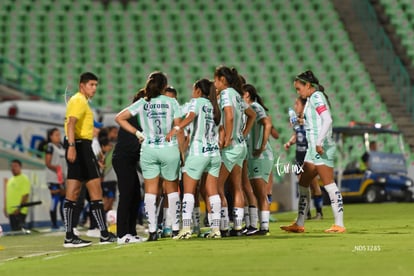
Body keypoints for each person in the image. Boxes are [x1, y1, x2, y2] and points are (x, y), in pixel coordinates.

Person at [115, 71, 183, 241]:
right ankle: (175, 229)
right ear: (164, 86)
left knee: (151, 191)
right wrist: (174, 131)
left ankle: (152, 231)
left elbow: (119, 118)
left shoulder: (142, 103)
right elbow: (179, 124)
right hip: (168, 148)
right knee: (171, 189)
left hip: (149, 149)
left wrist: (138, 133)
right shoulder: (171, 102)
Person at [280, 70, 345, 233]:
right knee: (303, 184)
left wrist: (319, 141)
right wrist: (299, 121)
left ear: (308, 85)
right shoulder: (310, 99)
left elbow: (328, 119)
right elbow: (314, 121)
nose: (297, 92)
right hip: (312, 149)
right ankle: (299, 223)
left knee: (329, 184)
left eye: (298, 88)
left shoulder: (316, 97)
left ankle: (340, 224)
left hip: (321, 147)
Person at [63, 72, 116, 248]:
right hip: (79, 146)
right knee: (92, 190)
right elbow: (71, 123)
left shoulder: (81, 101)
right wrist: (71, 146)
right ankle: (100, 233)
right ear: (82, 85)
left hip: (81, 146)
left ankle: (75, 235)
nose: (94, 88)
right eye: (91, 84)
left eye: (96, 85)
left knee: (76, 191)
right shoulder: (78, 100)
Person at [166, 78, 223, 239]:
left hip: (198, 153)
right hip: (214, 153)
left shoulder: (197, 102)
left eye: (193, 89)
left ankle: (185, 229)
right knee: (212, 192)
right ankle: (216, 230)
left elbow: (190, 117)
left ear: (198, 90)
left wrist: (176, 128)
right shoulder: (214, 106)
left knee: (189, 192)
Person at [214, 66, 256, 236]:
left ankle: (223, 226)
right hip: (241, 146)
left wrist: (228, 137)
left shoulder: (225, 94)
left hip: (231, 147)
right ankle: (238, 226)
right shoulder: (238, 95)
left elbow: (229, 116)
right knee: (237, 186)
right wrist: (242, 134)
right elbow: (251, 115)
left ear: (222, 79)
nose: (215, 83)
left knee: (217, 186)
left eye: (216, 79)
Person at [112, 89, 145, 244]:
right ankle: (122, 234)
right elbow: (133, 143)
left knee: (135, 195)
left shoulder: (137, 116)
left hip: (129, 160)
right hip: (123, 159)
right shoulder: (133, 116)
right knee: (126, 195)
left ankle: (131, 232)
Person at [284, 97, 323, 220]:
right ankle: (306, 213)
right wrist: (290, 143)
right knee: (302, 185)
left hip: (309, 156)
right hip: (299, 156)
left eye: (297, 104)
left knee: (313, 184)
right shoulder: (297, 121)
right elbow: (297, 134)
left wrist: (297, 121)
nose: (295, 106)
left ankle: (319, 212)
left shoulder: (309, 118)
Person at [242, 83, 273, 235]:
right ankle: (256, 226)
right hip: (254, 156)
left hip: (260, 156)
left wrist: (262, 145)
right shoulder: (249, 109)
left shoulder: (254, 107)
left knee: (260, 193)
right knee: (256, 192)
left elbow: (267, 123)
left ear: (247, 94)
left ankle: (264, 227)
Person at [45, 128, 67, 230]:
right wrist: (57, 169)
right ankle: (54, 224)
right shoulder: (50, 147)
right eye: (56, 135)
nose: (58, 136)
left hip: (62, 178)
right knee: (55, 200)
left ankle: (65, 223)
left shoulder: (61, 147)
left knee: (64, 201)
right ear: (51, 136)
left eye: (59, 135)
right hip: (53, 178)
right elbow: (48, 163)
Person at [3, 160, 31, 231]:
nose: (13, 168)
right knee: (14, 232)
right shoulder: (10, 180)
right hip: (11, 211)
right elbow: (7, 195)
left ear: (20, 167)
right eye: (12, 166)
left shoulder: (24, 178)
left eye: (15, 166)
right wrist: (5, 207)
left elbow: (25, 195)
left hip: (19, 212)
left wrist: (19, 208)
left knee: (18, 232)